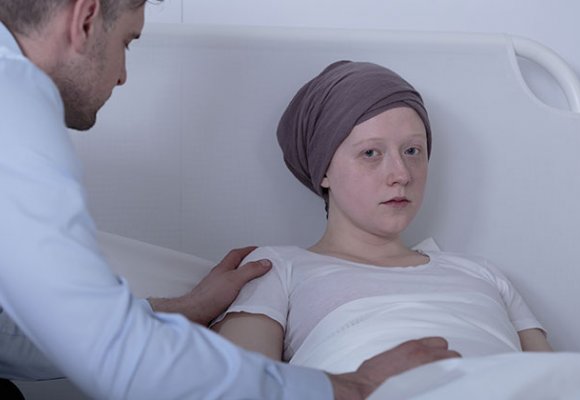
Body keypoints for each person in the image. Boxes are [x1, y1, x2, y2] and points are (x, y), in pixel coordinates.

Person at [0, 1, 460, 399]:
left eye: (412, 150)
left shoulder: (479, 273)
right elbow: (115, 354)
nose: (122, 75)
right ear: (84, 18)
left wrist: (183, 308)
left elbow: (16, 339)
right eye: (127, 42)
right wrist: (349, 388)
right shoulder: (15, 110)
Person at [212, 60, 552, 373]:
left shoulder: (483, 273)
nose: (401, 174)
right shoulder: (276, 269)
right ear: (323, 169)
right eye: (371, 153)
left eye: (412, 151)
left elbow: (559, 379)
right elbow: (243, 386)